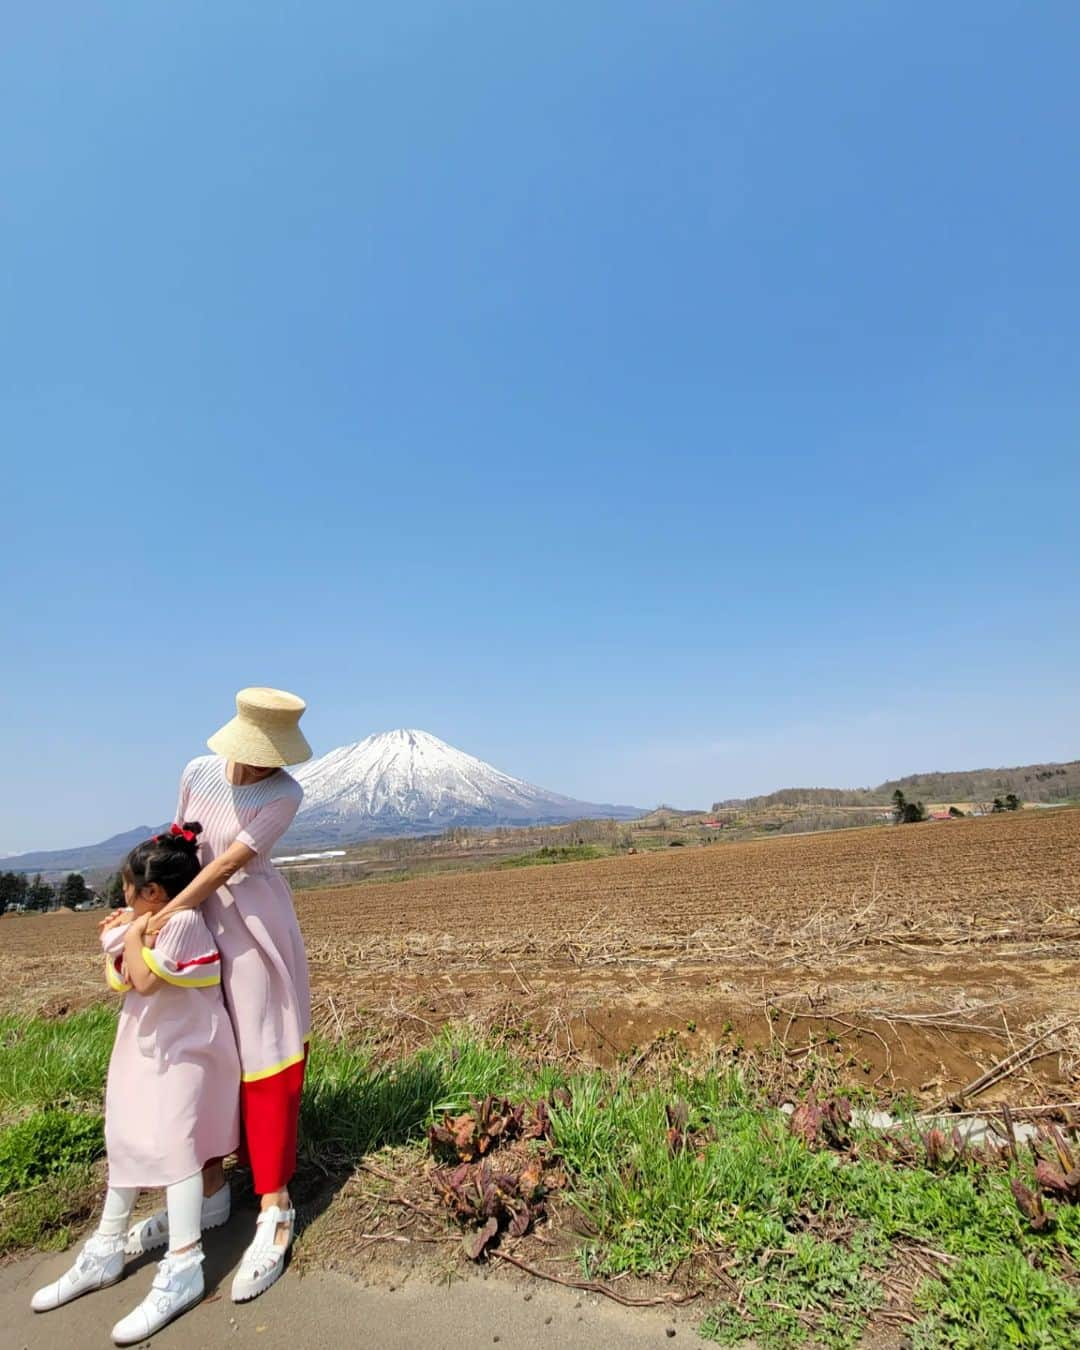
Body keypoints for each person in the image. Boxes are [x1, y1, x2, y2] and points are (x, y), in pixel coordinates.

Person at [119, 686, 313, 1303]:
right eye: (255, 753)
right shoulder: (198, 771)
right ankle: (209, 1193)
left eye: (271, 756)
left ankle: (275, 1207)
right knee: (202, 1056)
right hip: (195, 926)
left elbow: (226, 864)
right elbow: (179, 849)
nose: (261, 766)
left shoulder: (285, 793)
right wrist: (144, 910)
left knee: (265, 1053)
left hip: (251, 929)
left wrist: (158, 917)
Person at [32, 825, 240, 1343]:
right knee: (124, 1136)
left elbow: (142, 977)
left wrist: (128, 934)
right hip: (147, 1048)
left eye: (128, 887)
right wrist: (128, 932)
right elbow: (119, 969)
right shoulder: (152, 920)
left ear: (153, 893)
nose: (122, 897)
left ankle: (185, 1264)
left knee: (178, 1145)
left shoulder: (185, 922)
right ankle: (105, 1247)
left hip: (185, 1052)